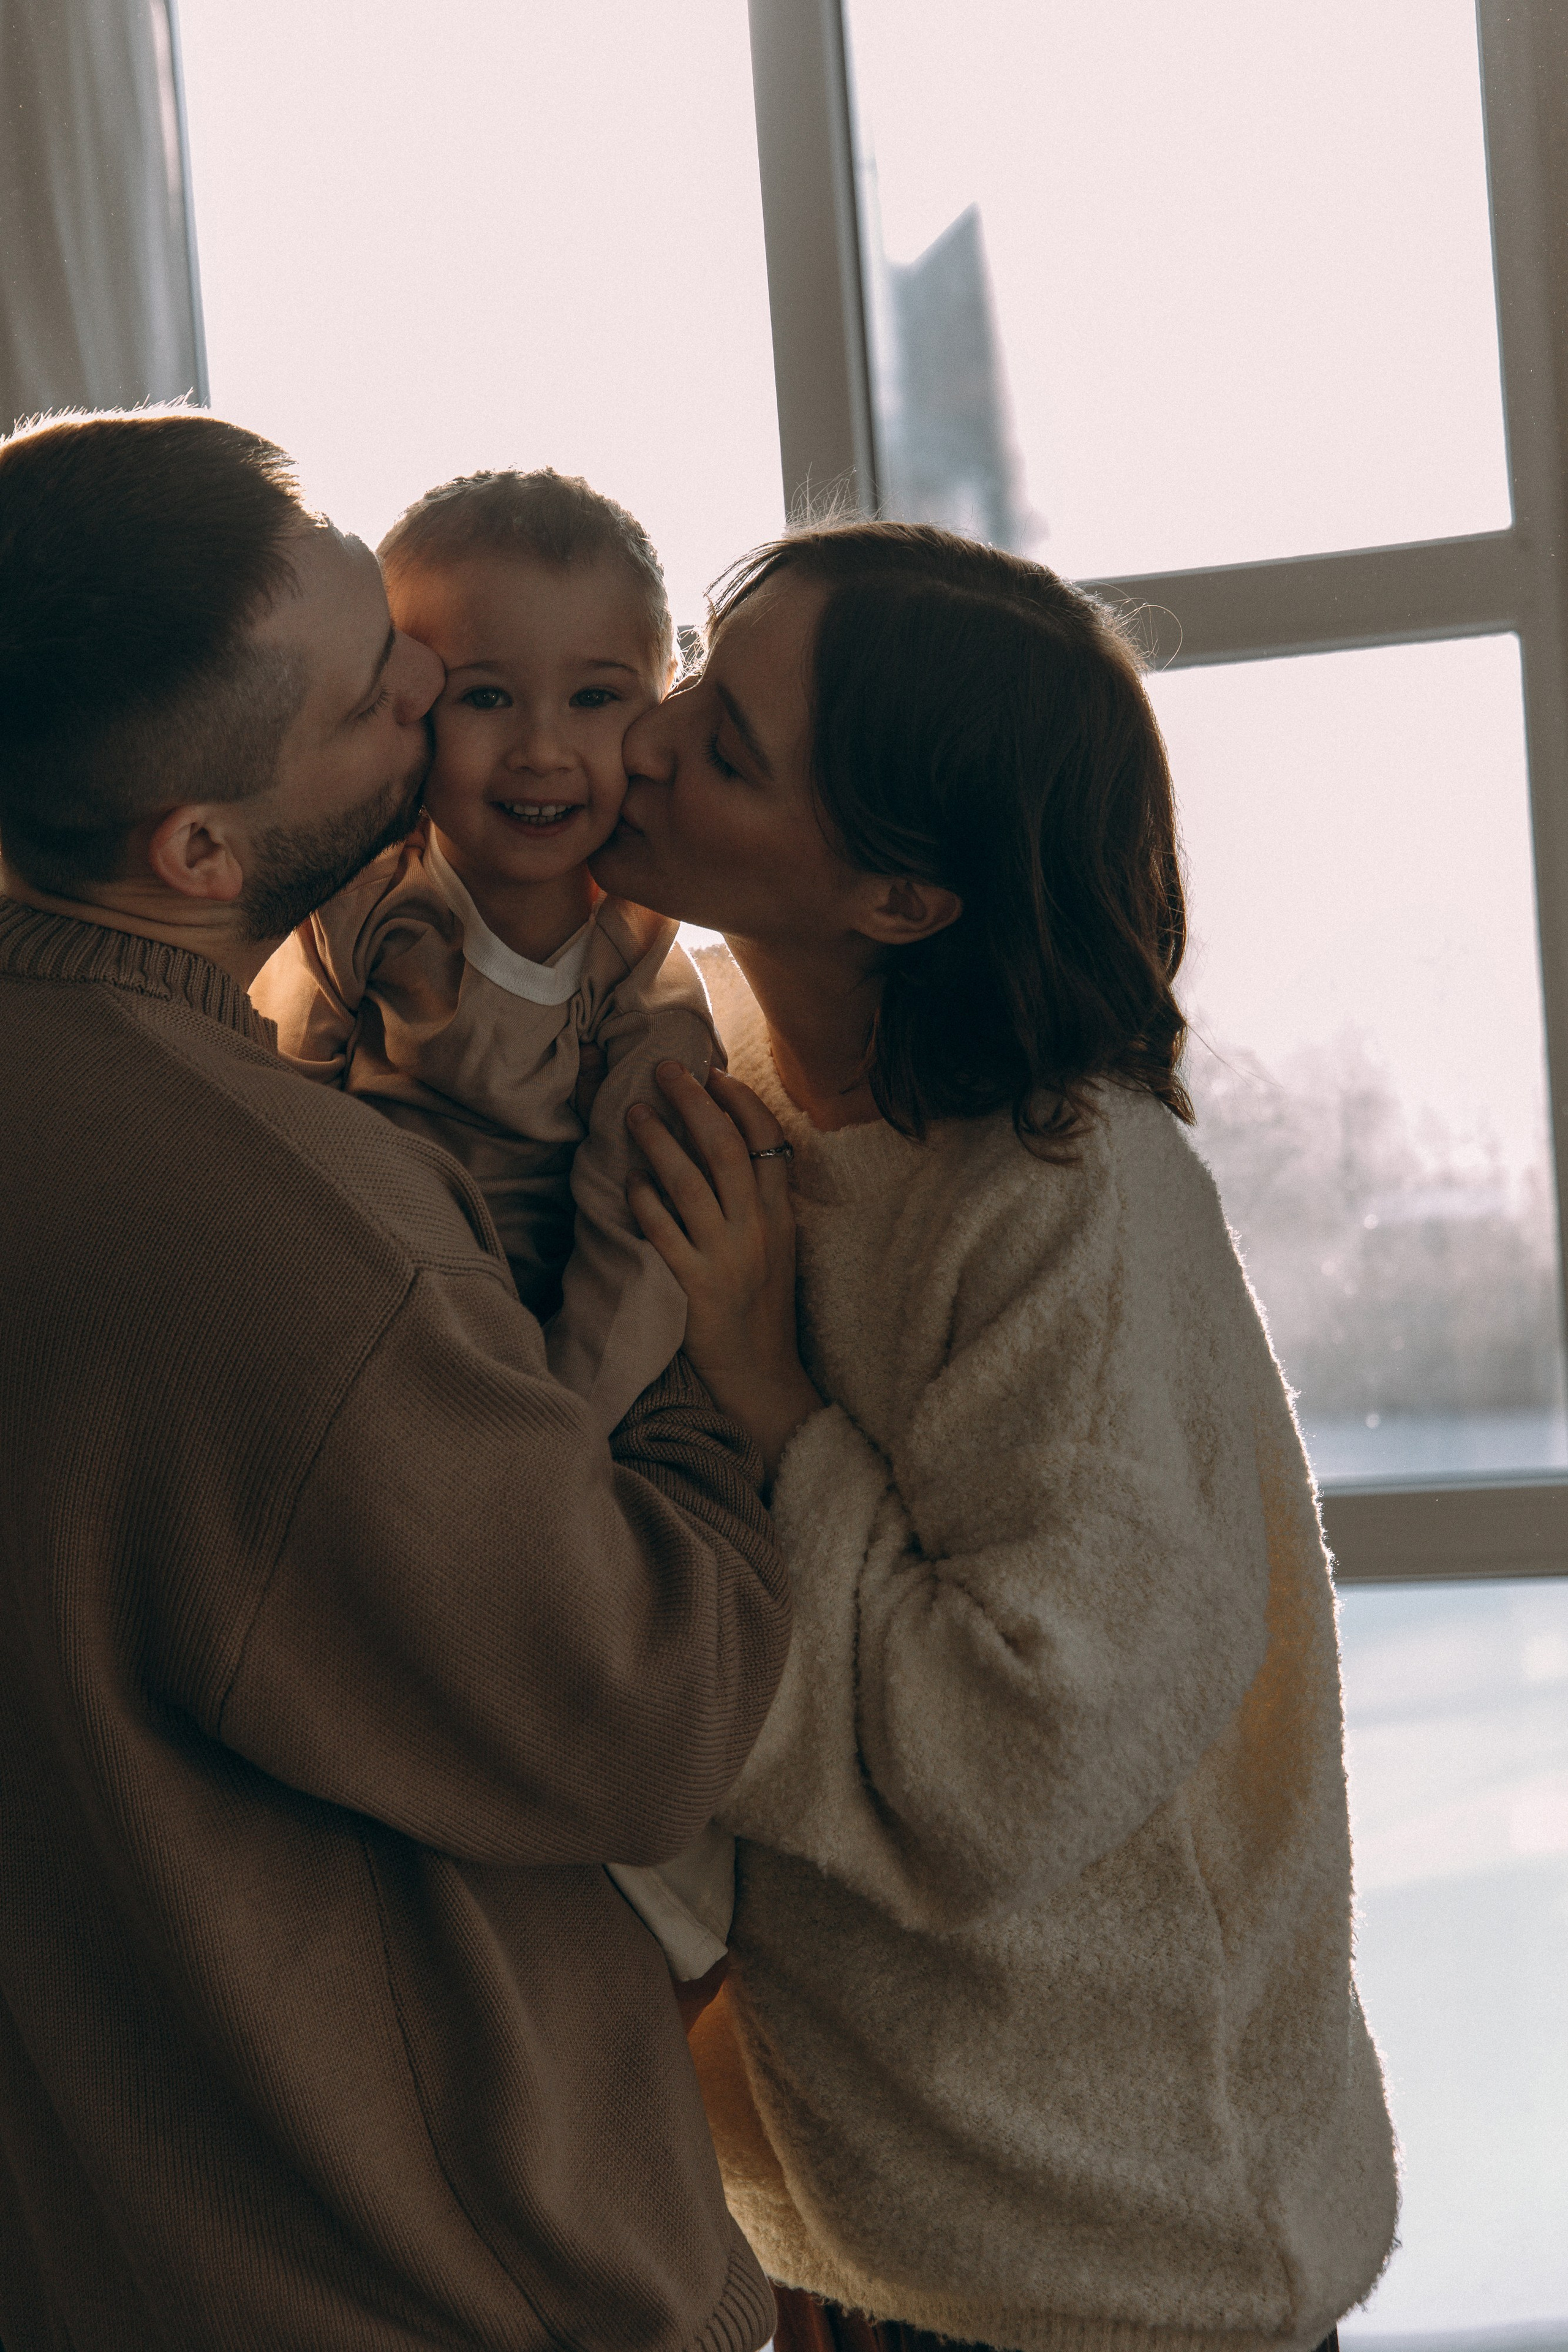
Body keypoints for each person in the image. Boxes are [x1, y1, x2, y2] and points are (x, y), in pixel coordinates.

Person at [0, 407, 790, 2351]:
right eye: (382, 693)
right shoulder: (294, 1233)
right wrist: (712, 1357)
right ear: (199, 848)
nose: (437, 694)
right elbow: (647, 1711)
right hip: (415, 2276)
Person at [589, 521, 1400, 2352]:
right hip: (856, 2214)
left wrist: (762, 1386)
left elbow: (1016, 1760)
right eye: (702, 671)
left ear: (898, 898)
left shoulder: (1069, 1202)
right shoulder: (699, 1064)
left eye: (724, 745)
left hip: (1120, 2264)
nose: (649, 734)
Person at [253, 464, 736, 1989]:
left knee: (588, 1627)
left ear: (654, 711)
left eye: (596, 699)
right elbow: (273, 1103)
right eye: (481, 698)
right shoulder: (368, 906)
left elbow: (636, 1223)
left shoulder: (634, 955)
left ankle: (639, 1915)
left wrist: (558, 1433)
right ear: (406, 711)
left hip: (559, 1357)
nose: (541, 751)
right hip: (382, 1302)